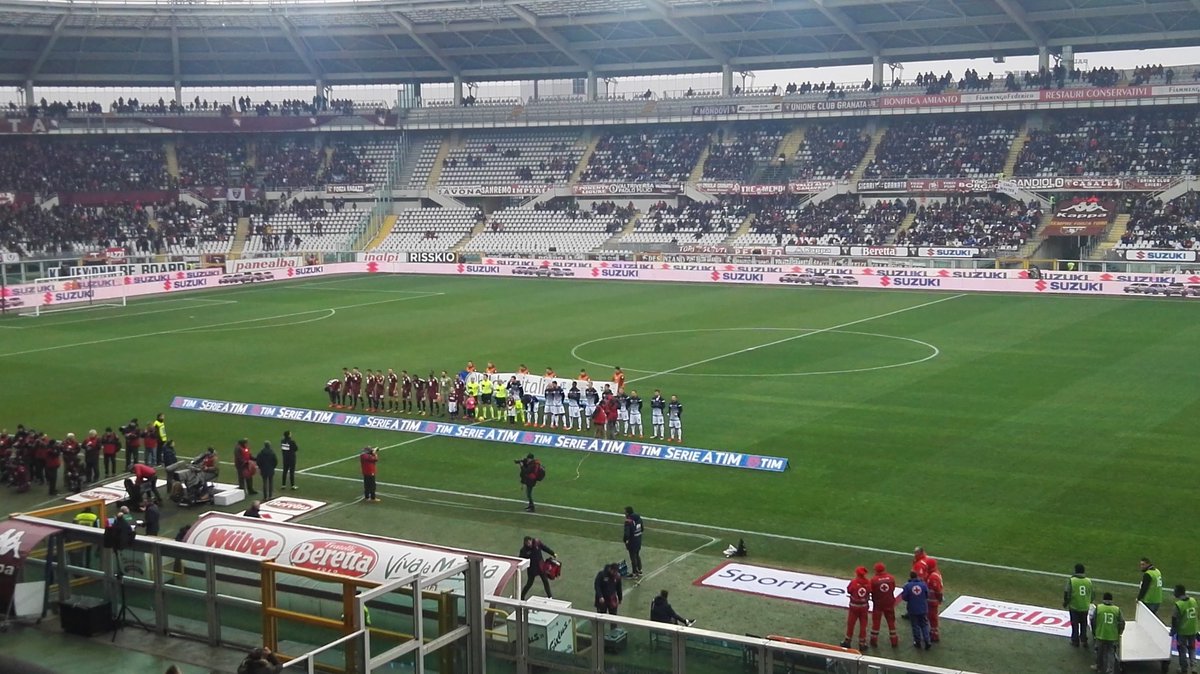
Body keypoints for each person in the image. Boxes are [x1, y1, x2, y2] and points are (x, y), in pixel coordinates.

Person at [1092, 592, 1125, 673]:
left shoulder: (1099, 608)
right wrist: (1119, 632)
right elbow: (1122, 622)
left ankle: (1098, 667)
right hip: (1112, 636)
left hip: (1100, 634)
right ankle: (1110, 670)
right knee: (1111, 653)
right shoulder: (1116, 609)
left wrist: (1094, 632)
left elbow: (1093, 620)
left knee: (1099, 652)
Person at [1063, 563, 1093, 648]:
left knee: (1075, 624)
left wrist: (1066, 602)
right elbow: (1092, 594)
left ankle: (1075, 641)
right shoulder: (1088, 581)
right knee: (1084, 624)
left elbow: (1067, 592)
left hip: (1074, 606)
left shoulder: (1072, 580)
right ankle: (1084, 640)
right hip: (1084, 607)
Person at [870, 562, 900, 648]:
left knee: (876, 622)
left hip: (878, 604)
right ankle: (894, 641)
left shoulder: (874, 580)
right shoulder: (891, 578)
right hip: (889, 603)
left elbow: (871, 591)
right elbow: (893, 588)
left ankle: (874, 640)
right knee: (891, 622)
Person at [843, 566, 872, 650]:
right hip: (864, 607)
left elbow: (849, 590)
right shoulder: (868, 582)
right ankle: (862, 643)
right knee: (863, 625)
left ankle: (847, 641)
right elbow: (870, 591)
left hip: (854, 607)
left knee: (851, 624)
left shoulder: (854, 582)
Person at [901, 572, 931, 650]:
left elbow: (904, 597)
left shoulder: (907, 586)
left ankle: (917, 642)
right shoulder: (923, 584)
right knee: (924, 625)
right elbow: (927, 595)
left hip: (912, 609)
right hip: (923, 608)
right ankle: (927, 641)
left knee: (915, 625)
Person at [1173, 585, 1198, 674]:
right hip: (1192, 630)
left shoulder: (1179, 604)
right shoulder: (1193, 600)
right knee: (1192, 648)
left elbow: (1174, 618)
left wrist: (1173, 629)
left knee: (1182, 649)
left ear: (1179, 592)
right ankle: (1194, 666)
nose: (1174, 592)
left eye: (1175, 591)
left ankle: (1184, 668)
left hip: (1182, 631)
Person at [926, 558, 944, 642]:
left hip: (932, 601)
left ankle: (934, 635)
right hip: (931, 600)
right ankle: (933, 632)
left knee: (932, 617)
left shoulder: (933, 576)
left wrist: (939, 599)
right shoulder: (934, 574)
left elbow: (937, 590)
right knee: (931, 617)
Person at [623, 506, 644, 578]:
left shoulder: (628, 521)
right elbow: (642, 529)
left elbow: (626, 534)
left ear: (628, 513)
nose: (624, 513)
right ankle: (640, 570)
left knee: (633, 557)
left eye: (625, 512)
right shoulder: (639, 519)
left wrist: (625, 540)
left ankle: (635, 573)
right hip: (638, 540)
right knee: (637, 555)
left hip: (632, 541)